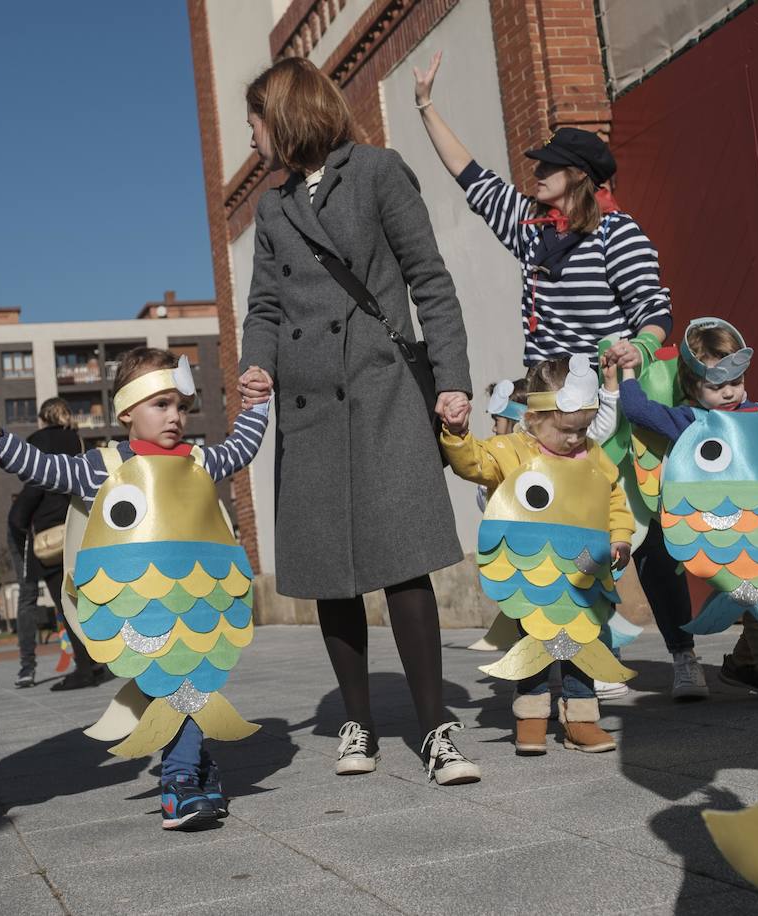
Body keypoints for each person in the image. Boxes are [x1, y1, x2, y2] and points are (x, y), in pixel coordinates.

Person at [412, 51, 707, 701]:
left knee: (643, 533)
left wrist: (640, 346)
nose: (535, 173)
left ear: (578, 178)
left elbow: (654, 308)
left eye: (547, 166)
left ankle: (683, 653)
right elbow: (472, 177)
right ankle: (592, 652)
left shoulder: (616, 235)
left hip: (607, 398)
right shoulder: (529, 233)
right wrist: (425, 106)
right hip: (548, 401)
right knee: (560, 531)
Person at [237, 57, 480, 786]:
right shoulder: (271, 209)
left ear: (284, 116)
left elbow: (429, 280)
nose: (251, 140)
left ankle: (437, 725)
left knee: (401, 562)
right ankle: (358, 721)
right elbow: (265, 307)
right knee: (330, 572)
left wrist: (454, 380)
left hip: (381, 391)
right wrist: (258, 366)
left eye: (255, 123)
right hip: (308, 406)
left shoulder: (378, 172)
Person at [0, 347, 268, 830]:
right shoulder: (102, 466)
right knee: (176, 685)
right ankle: (180, 781)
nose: (175, 416)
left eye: (182, 406)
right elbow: (40, 467)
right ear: (128, 410)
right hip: (141, 605)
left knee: (188, 681)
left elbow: (241, 449)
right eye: (162, 404)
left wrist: (257, 405)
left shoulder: (198, 461)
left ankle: (192, 770)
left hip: (198, 601)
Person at [619, 318, 758, 708]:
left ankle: (743, 663)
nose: (729, 392)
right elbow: (638, 410)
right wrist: (627, 371)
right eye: (716, 385)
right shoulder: (691, 421)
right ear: (693, 388)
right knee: (755, 589)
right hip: (725, 531)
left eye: (736, 382)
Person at [443, 357, 633, 753]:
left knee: (582, 640)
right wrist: (457, 434)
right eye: (566, 430)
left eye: (582, 429)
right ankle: (530, 714)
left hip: (584, 570)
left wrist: (620, 537)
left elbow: (614, 498)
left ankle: (581, 718)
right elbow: (475, 462)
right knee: (535, 637)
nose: (575, 439)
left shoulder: (593, 455)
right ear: (532, 417)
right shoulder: (512, 450)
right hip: (535, 572)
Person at [7, 397, 102, 690]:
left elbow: (36, 482)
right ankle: (96, 661)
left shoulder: (40, 439)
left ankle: (84, 670)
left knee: (65, 602)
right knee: (84, 600)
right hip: (78, 526)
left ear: (43, 417)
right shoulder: (77, 441)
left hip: (50, 532)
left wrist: (18, 518)